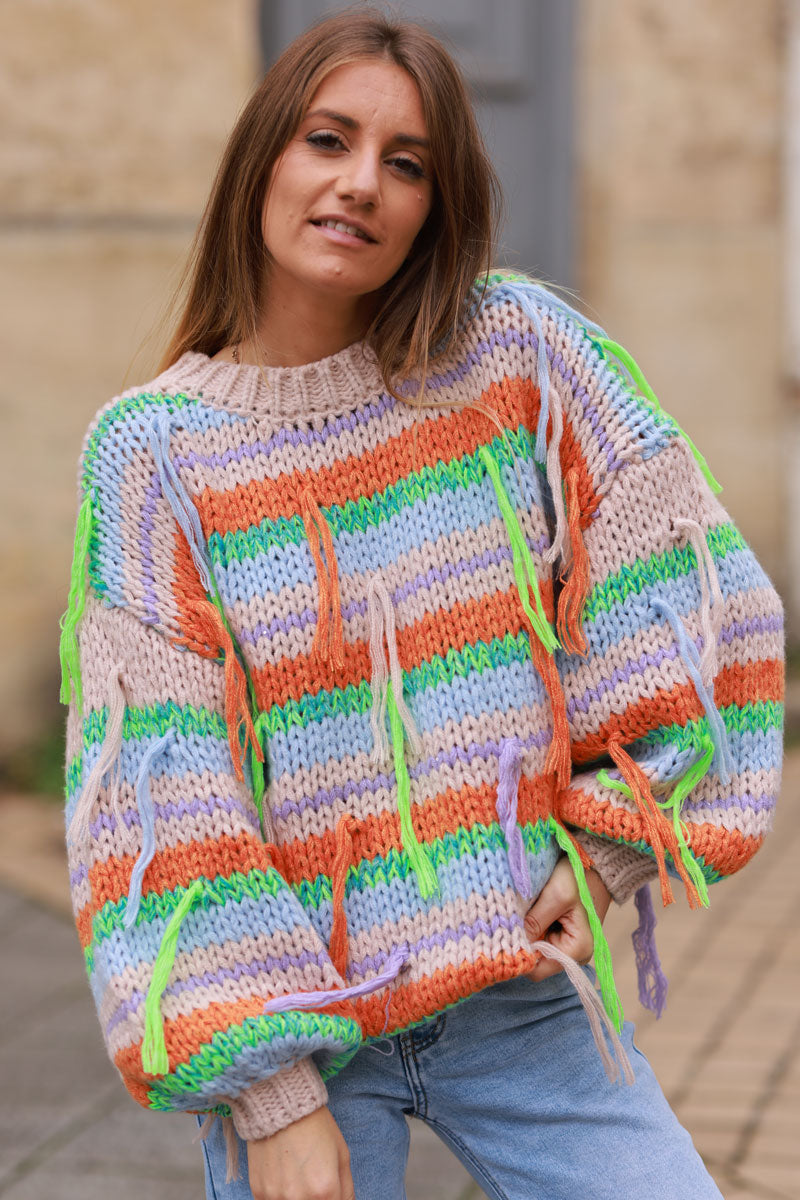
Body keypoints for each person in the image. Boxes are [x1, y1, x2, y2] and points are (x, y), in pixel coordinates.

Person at [60, 9, 784, 1200]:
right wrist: (274, 1096)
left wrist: (609, 846)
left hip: (522, 1002)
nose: (361, 183)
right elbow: (157, 792)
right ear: (260, 160)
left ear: (434, 206)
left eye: (406, 164)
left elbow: (687, 583)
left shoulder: (515, 353)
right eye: (326, 139)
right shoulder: (152, 455)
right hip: (310, 1037)